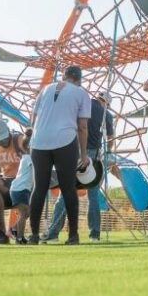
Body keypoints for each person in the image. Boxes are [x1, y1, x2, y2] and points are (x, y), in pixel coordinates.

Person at [28, 64, 91, 245]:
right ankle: (73, 236)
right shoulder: (81, 93)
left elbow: (33, 118)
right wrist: (84, 154)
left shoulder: (45, 89)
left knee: (39, 188)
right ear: (79, 79)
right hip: (65, 140)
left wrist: (35, 134)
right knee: (68, 187)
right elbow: (83, 126)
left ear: (64, 76)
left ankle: (33, 235)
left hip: (39, 142)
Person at [42, 89, 115, 243]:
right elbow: (110, 137)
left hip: (74, 152)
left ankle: (53, 234)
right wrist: (108, 151)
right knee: (93, 196)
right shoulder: (106, 115)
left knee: (65, 194)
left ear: (97, 97)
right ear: (107, 103)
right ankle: (94, 234)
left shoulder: (83, 106)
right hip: (94, 156)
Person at [8, 129, 34, 243]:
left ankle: (14, 228)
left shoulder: (26, 157)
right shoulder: (29, 158)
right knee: (24, 212)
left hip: (20, 189)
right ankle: (19, 238)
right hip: (20, 189)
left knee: (27, 212)